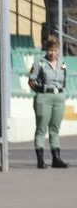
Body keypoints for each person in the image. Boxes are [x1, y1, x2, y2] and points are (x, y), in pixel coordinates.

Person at [29, 34, 68, 169]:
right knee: (41, 128)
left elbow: (64, 81)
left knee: (55, 128)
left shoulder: (62, 64)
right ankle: (40, 159)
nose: (52, 53)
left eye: (55, 50)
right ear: (46, 50)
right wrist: (40, 89)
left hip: (59, 97)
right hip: (44, 97)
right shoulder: (39, 64)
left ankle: (56, 158)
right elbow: (31, 81)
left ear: (58, 50)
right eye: (50, 50)